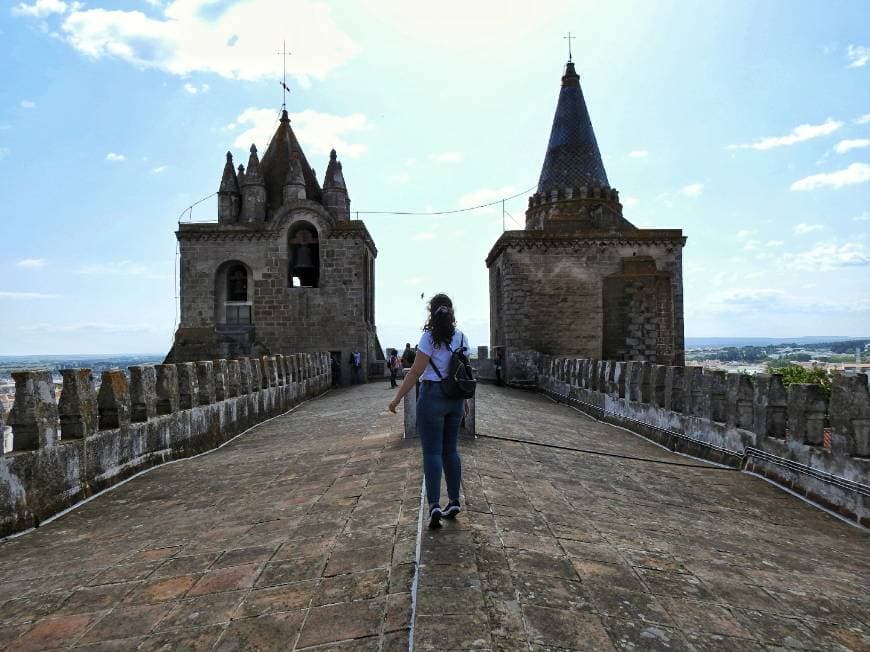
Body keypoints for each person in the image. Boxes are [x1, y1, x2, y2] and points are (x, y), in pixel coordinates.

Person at [389, 293, 468, 528]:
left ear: (431, 313)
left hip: (433, 396)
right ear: (451, 312)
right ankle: (454, 500)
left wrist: (396, 399)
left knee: (432, 452)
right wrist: (463, 401)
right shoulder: (462, 336)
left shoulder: (428, 339)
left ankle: (434, 505)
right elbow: (462, 371)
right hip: (454, 399)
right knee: (450, 450)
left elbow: (414, 372)